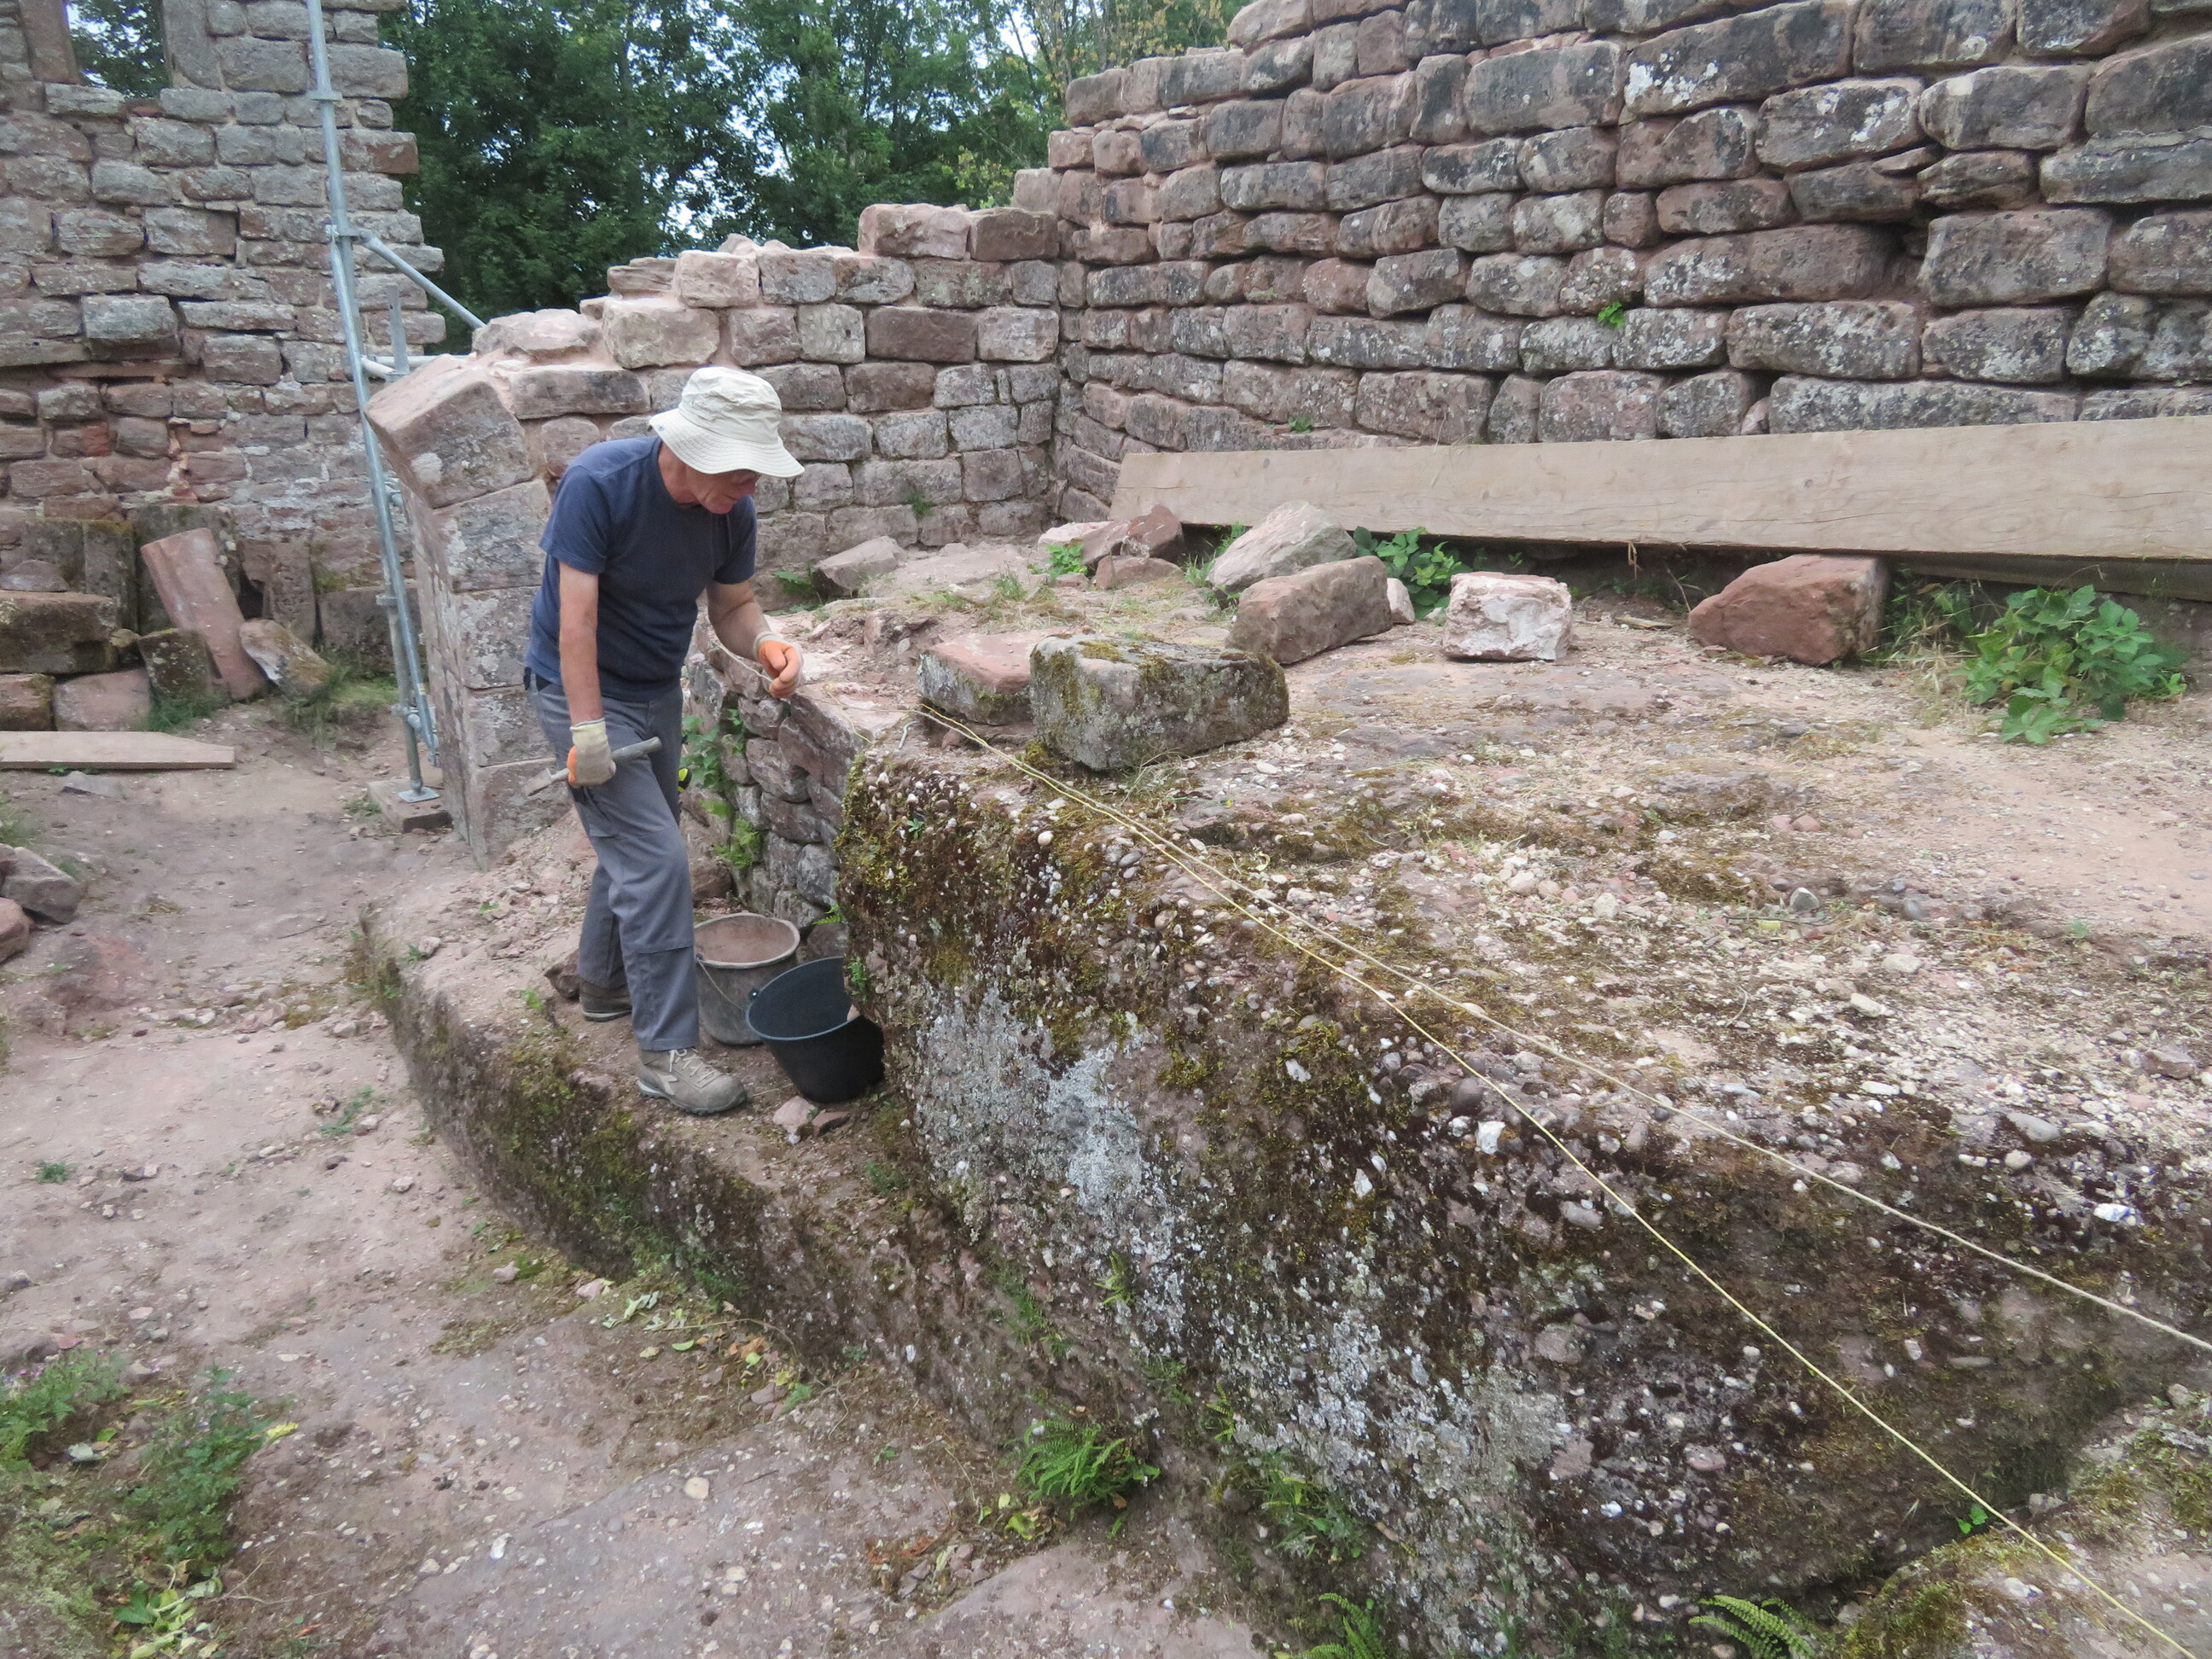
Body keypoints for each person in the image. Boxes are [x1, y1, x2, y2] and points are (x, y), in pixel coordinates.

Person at [523, 367, 805, 1115]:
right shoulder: (600, 484)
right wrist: (587, 731)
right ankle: (666, 1055)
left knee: (638, 839)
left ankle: (604, 984)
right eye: (740, 469)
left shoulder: (731, 510)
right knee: (657, 860)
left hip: (653, 689)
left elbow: (734, 607)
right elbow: (576, 622)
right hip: (580, 688)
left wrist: (767, 644)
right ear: (692, 448)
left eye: (756, 471)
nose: (751, 485)